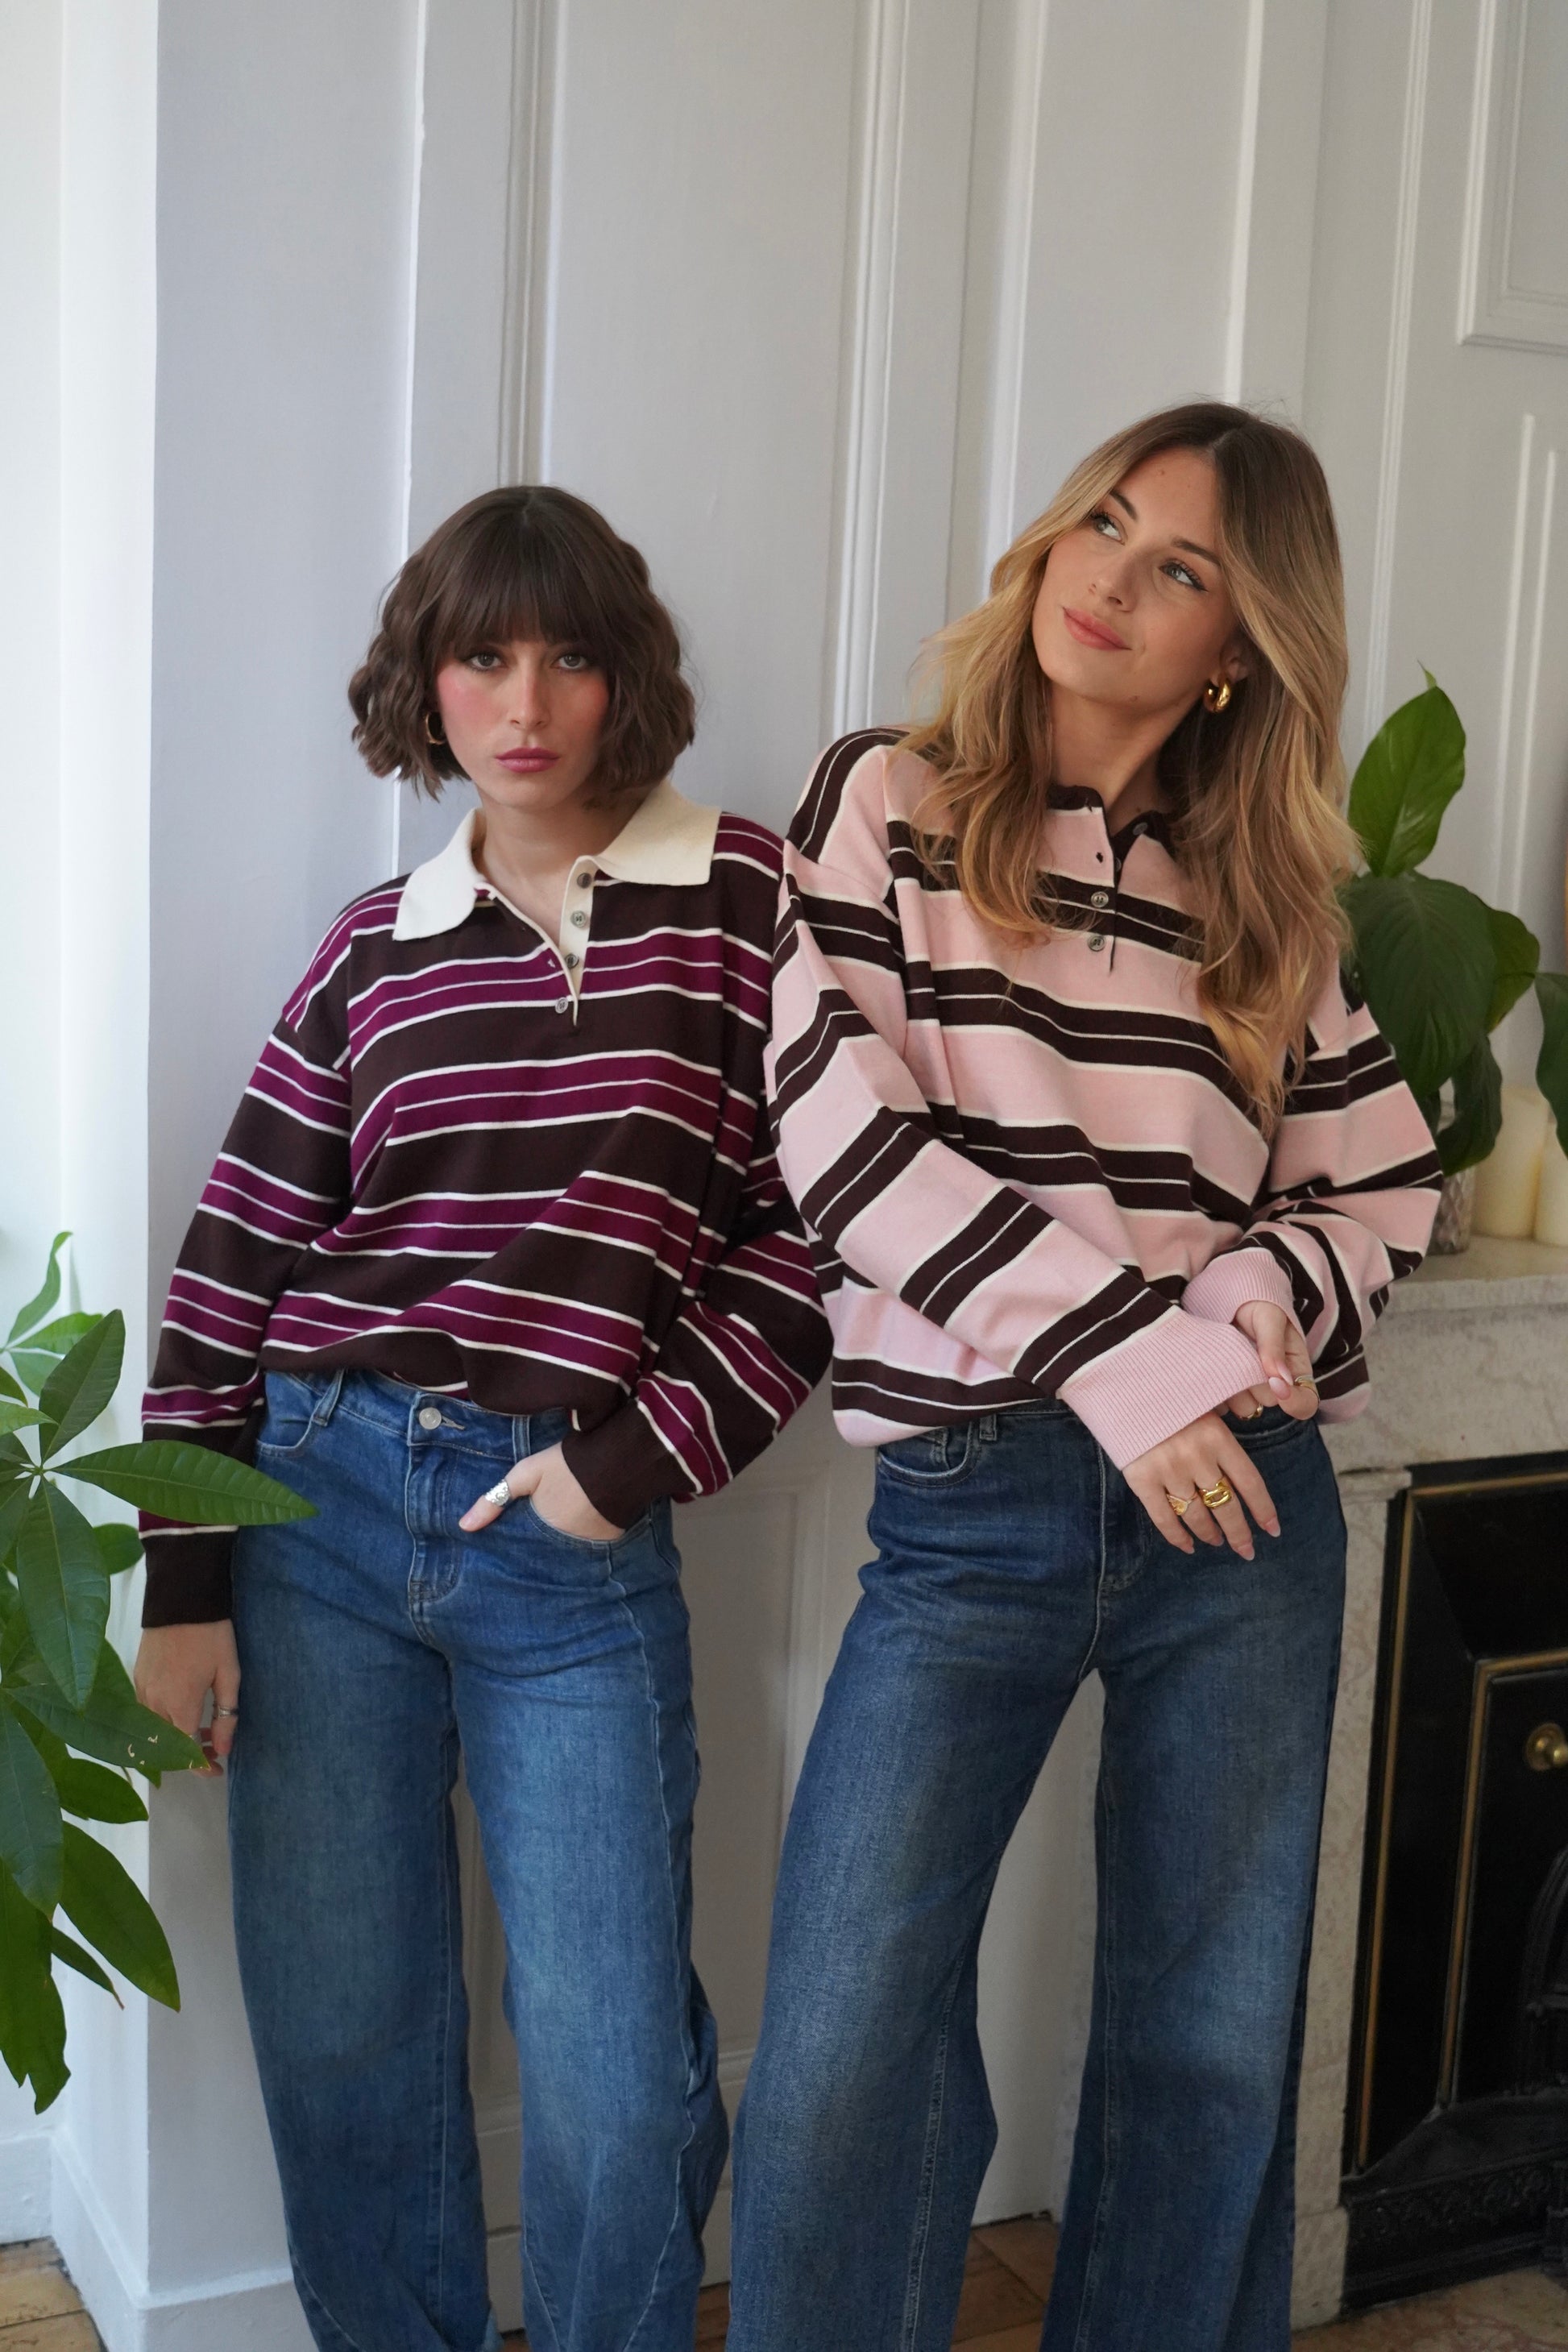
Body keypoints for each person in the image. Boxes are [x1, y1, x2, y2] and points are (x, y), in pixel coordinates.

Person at [728, 404, 1441, 2351]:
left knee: (1205, 2041)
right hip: (979, 1498)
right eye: (1102, 524)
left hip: (1240, 1502)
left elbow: (1381, 1184)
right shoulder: (889, 800)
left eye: (1178, 565)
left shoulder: (1268, 901)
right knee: (847, 2039)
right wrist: (1127, 1353)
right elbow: (840, 1139)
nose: (1109, 579)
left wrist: (1252, 1296)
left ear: (1238, 648)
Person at [133, 486, 830, 2352]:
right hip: (317, 1506)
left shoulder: (746, 902)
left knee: (615, 2064)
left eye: (569, 656)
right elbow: (234, 1254)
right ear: (423, 683)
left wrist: (624, 1467)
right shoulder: (379, 943)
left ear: (627, 676)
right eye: (480, 657)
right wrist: (183, 1581)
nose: (524, 704)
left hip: (564, 1534)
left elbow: (816, 1235)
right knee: (346, 2032)